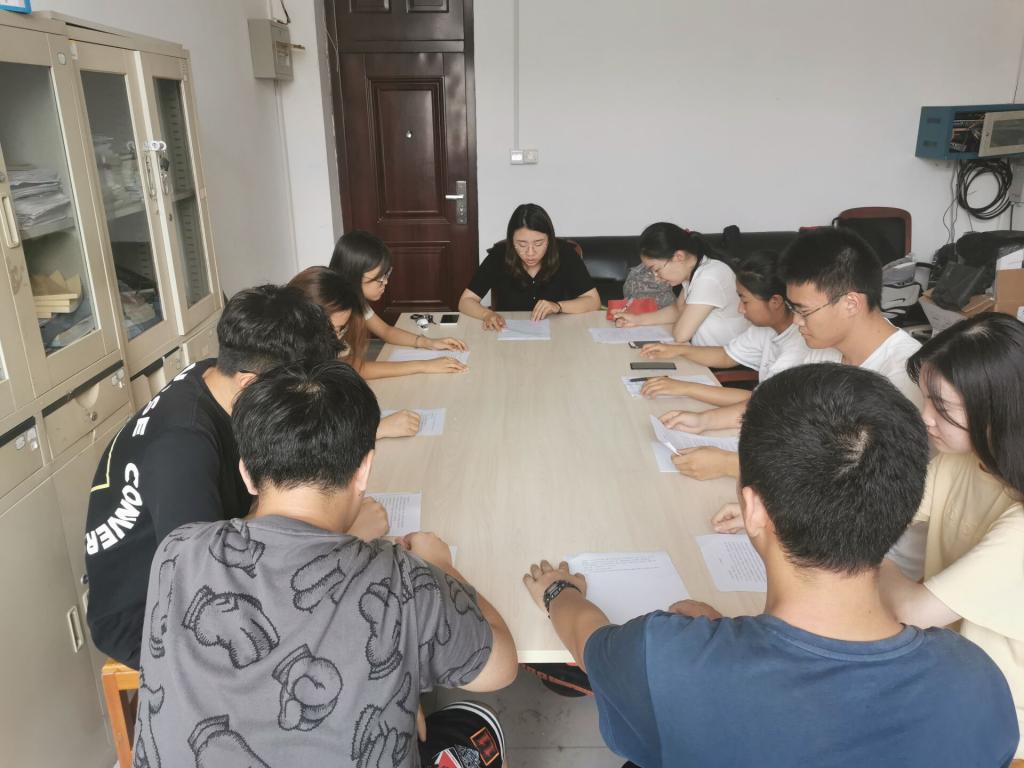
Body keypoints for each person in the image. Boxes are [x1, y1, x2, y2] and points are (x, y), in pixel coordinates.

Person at [523, 363, 1019, 767]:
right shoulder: (976, 681)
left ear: (753, 509)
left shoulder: (668, 659)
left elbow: (590, 643)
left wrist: (558, 591)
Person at [131, 359, 518, 767]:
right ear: (364, 470)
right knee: (476, 729)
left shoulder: (176, 551)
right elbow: (502, 666)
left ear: (246, 473)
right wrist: (443, 566)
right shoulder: (403, 581)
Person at [85, 285, 347, 668]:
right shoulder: (181, 445)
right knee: (329, 630)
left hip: (205, 563)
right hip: (153, 614)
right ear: (250, 383)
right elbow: (204, 571)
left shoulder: (216, 375)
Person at [661, 227, 922, 484]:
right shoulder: (822, 347)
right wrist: (704, 421)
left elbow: (872, 482)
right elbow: (778, 408)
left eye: (804, 311)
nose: (796, 321)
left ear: (850, 304)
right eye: (793, 309)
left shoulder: (905, 375)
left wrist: (730, 465)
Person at [879, 313, 1024, 758]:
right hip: (948, 672)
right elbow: (879, 512)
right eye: (925, 399)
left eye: (941, 407)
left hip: (1001, 718)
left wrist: (865, 554)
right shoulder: (963, 461)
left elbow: (913, 610)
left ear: (995, 408)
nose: (925, 418)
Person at [636, 250, 807, 406]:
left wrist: (685, 388)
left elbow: (759, 401)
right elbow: (726, 356)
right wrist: (678, 350)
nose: (740, 309)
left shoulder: (797, 348)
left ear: (775, 302)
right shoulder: (766, 328)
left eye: (745, 301)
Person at [288, 266, 424, 439]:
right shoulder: (284, 369)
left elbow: (354, 369)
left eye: (341, 329)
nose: (337, 338)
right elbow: (302, 442)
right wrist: (377, 430)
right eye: (333, 330)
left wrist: (422, 365)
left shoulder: (311, 348)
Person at [329, 230, 469, 377]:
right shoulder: (334, 311)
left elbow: (385, 331)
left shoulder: (354, 299)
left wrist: (429, 343)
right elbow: (354, 368)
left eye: (386, 274)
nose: (385, 282)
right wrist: (425, 365)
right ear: (353, 276)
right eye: (379, 278)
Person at [458, 203, 601, 328]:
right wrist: (487, 314)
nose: (530, 253)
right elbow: (466, 301)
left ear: (549, 240)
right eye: (522, 244)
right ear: (511, 240)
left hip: (559, 332)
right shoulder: (499, 255)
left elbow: (593, 301)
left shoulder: (565, 253)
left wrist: (558, 306)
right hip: (508, 332)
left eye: (538, 243)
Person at [611, 223, 749, 345]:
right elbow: (678, 310)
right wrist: (637, 320)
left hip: (726, 359)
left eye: (657, 270)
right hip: (705, 353)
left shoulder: (709, 277)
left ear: (678, 257)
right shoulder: (694, 272)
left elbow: (681, 335)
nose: (656, 277)